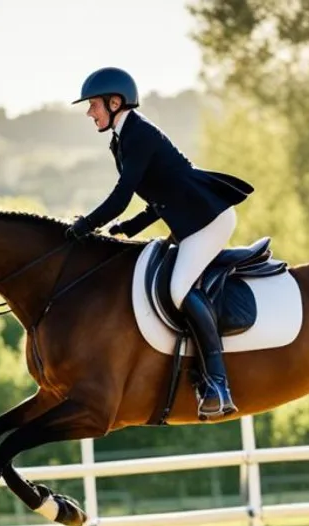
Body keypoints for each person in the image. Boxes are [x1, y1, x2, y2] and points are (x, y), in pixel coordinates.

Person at [66, 67, 253, 420]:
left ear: (114, 102)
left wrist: (85, 226)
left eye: (93, 105)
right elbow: (161, 192)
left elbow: (122, 196)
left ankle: (217, 382)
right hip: (188, 217)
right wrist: (131, 226)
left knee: (179, 289)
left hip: (208, 219)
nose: (90, 112)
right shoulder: (121, 139)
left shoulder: (138, 135)